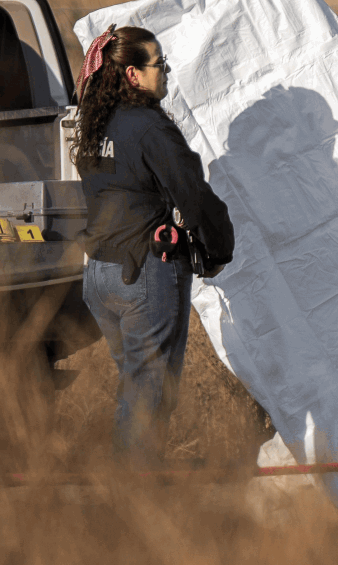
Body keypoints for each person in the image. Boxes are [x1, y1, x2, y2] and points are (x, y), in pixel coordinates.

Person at [70, 24, 235, 469]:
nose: (165, 71)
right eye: (158, 63)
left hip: (101, 276)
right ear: (132, 75)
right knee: (149, 400)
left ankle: (122, 497)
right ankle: (134, 511)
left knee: (135, 390)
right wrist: (217, 250)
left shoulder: (95, 123)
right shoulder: (149, 127)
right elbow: (192, 193)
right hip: (144, 276)